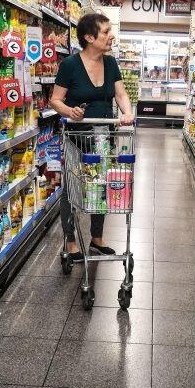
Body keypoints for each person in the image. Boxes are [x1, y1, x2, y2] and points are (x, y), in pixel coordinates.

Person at [50, 13, 134, 261]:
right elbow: (55, 100)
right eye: (106, 31)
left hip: (103, 136)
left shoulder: (111, 63)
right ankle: (71, 241)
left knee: (101, 186)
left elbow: (120, 94)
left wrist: (127, 113)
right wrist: (69, 111)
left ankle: (97, 238)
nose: (111, 36)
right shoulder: (70, 65)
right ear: (89, 37)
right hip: (77, 138)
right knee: (72, 189)